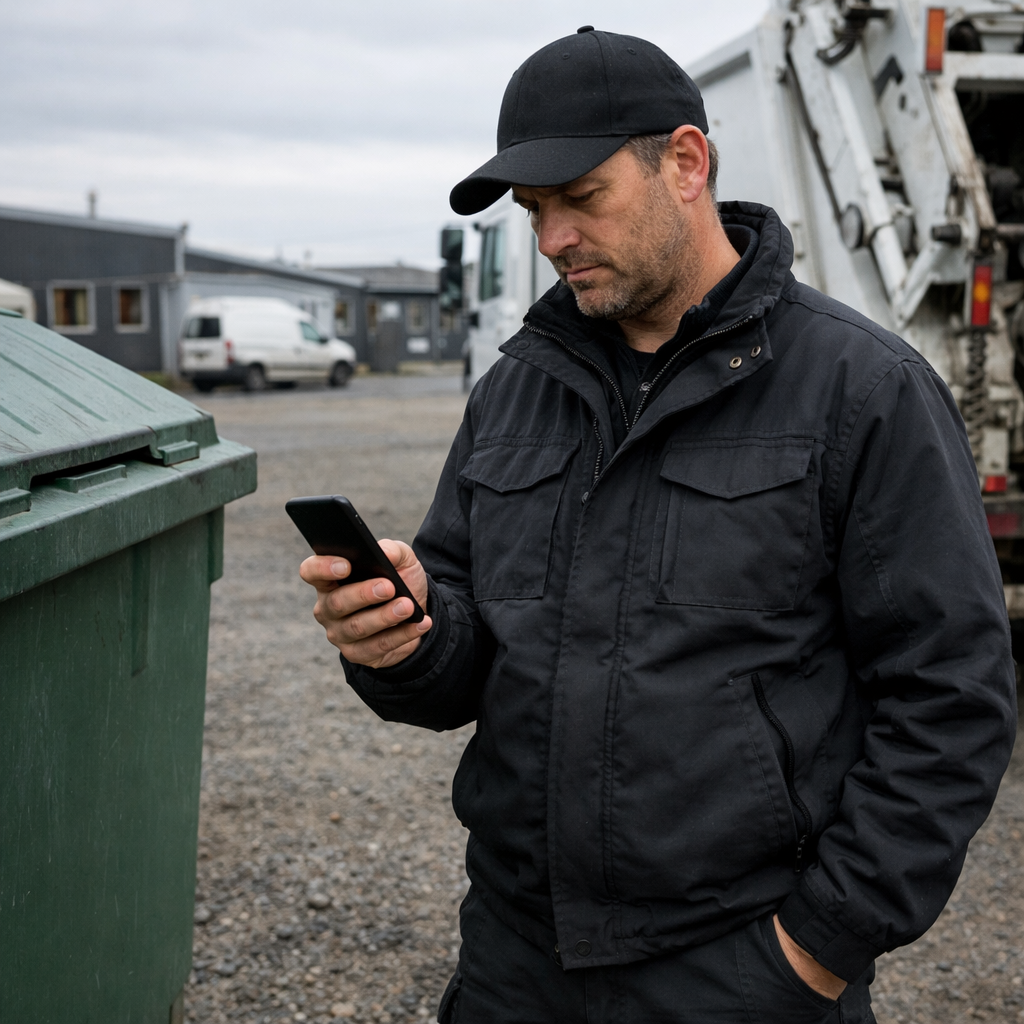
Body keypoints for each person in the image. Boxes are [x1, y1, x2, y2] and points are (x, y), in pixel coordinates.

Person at [300, 27, 1016, 1024]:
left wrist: (815, 949)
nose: (550, 239)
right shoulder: (518, 390)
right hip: (516, 961)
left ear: (685, 163)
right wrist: (402, 637)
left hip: (738, 970)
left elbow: (951, 697)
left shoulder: (861, 390)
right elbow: (460, 649)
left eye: (580, 199)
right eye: (534, 211)